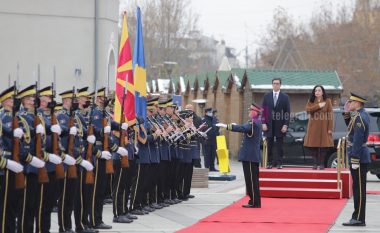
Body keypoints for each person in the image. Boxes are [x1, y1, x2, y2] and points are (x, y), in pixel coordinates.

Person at [216, 103, 262, 208]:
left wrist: (228, 126)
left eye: (251, 110)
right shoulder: (254, 122)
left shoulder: (254, 123)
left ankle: (255, 202)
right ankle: (253, 200)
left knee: (251, 180)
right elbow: (244, 128)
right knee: (250, 179)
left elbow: (242, 128)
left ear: (255, 112)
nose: (249, 112)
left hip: (250, 156)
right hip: (250, 155)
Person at [342, 93, 370, 227]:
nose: (349, 103)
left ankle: (359, 218)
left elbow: (358, 139)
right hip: (358, 155)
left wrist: (354, 158)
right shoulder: (359, 115)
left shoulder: (360, 117)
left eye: (351, 102)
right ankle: (357, 216)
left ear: (358, 103)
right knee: (358, 187)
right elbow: (351, 128)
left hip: (358, 156)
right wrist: (346, 113)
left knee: (359, 189)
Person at [261, 78, 290, 169]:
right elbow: (263, 111)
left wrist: (285, 125)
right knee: (269, 145)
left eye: (277, 83)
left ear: (280, 85)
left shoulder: (285, 97)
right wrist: (263, 123)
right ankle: (269, 162)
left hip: (280, 125)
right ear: (272, 85)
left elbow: (287, 112)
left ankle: (279, 163)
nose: (275, 85)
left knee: (279, 145)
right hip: (268, 125)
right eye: (274, 83)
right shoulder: (267, 96)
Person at [303, 85, 334, 170]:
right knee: (313, 146)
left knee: (323, 146)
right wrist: (318, 106)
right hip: (313, 127)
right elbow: (308, 110)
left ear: (322, 92)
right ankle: (315, 163)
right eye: (316, 91)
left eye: (319, 90)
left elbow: (330, 115)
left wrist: (330, 128)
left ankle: (321, 164)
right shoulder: (311, 100)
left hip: (324, 126)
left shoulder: (328, 101)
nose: (317, 92)